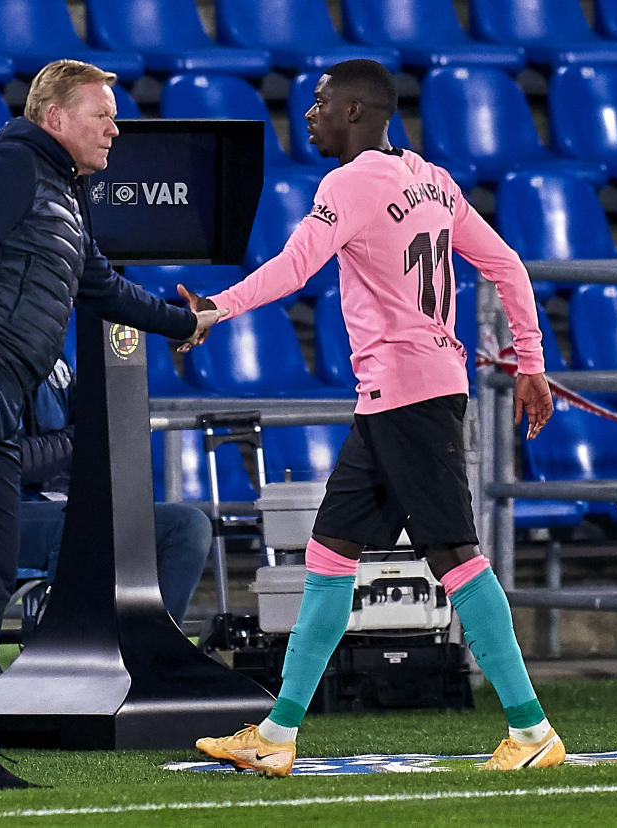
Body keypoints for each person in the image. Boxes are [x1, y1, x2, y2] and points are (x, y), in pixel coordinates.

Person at [0, 59, 226, 793]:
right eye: (103, 115)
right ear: (55, 117)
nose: (116, 128)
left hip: (3, 392)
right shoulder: (8, 163)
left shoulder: (65, 195)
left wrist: (186, 320)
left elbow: (103, 288)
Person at [189, 59, 560, 777]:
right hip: (400, 397)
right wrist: (531, 359)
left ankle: (531, 727)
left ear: (357, 111)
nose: (310, 115)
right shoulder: (432, 179)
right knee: (330, 557)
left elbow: (295, 268)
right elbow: (509, 264)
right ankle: (277, 733)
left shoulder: (348, 184)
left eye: (321, 102)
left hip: (409, 397)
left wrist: (213, 308)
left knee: (454, 556)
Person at [18, 357, 212, 628]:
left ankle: (148, 652)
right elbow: (1, 461)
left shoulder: (53, 359)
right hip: (1, 513)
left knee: (188, 525)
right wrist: (86, 437)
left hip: (66, 503)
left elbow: (104, 428)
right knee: (95, 527)